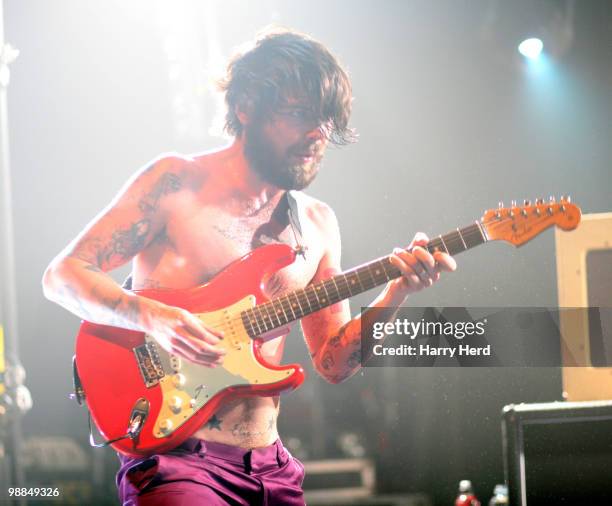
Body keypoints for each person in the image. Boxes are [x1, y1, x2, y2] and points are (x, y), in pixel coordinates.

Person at [42, 28, 456, 506]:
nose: (317, 133)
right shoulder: (175, 184)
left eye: (325, 119)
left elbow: (333, 363)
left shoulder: (317, 223)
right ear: (246, 107)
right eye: (300, 113)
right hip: (178, 459)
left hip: (272, 468)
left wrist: (395, 294)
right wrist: (151, 315)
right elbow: (63, 275)